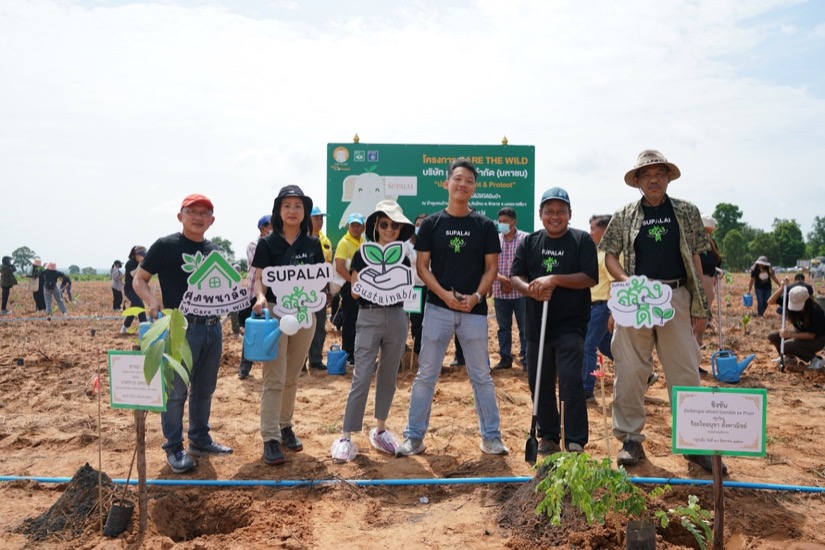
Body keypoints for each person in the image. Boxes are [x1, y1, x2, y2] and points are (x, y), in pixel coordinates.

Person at [600, 150, 722, 474]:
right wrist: (627, 283)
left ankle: (695, 444)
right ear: (637, 181)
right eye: (646, 174)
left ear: (668, 177)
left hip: (676, 296)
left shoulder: (685, 211)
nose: (653, 179)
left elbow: (696, 258)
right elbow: (610, 255)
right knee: (629, 369)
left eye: (659, 173)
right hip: (636, 299)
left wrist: (699, 304)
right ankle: (630, 439)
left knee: (685, 371)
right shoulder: (625, 214)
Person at [396, 157, 508, 457]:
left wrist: (476, 297)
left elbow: (491, 268)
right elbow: (422, 267)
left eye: (469, 181)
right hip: (437, 309)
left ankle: (491, 437)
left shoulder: (483, 226)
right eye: (458, 179)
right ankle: (414, 437)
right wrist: (445, 295)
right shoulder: (432, 224)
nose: (463, 184)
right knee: (426, 374)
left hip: (474, 312)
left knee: (481, 375)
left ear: (474, 188)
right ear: (447, 183)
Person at [133, 193, 233, 474]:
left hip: (213, 327)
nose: (198, 217)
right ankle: (174, 447)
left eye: (205, 213)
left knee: (205, 388)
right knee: (176, 392)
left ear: (211, 221)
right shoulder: (165, 246)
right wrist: (151, 301)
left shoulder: (213, 250)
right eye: (193, 212)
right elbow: (139, 278)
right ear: (181, 216)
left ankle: (200, 439)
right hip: (180, 328)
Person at [511, 187, 597, 454]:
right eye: (549, 211)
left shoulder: (581, 240)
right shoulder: (529, 242)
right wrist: (531, 289)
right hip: (537, 326)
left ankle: (574, 439)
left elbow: (589, 277)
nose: (555, 216)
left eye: (561, 211)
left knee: (571, 379)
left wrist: (554, 279)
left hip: (571, 325)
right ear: (540, 214)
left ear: (570, 214)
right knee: (540, 381)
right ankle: (548, 435)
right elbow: (516, 276)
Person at [331, 201, 415, 462]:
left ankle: (380, 430)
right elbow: (356, 288)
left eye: (394, 225)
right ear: (376, 226)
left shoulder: (403, 254)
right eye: (384, 224)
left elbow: (409, 283)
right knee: (362, 374)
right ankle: (346, 436)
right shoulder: (361, 254)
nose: (390, 229)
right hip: (368, 316)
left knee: (389, 375)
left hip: (398, 317)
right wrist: (359, 288)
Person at [251, 185, 325, 465]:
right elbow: (259, 278)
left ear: (305, 211)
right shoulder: (267, 243)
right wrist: (259, 296)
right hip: (275, 315)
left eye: (298, 206)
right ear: (278, 211)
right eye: (287, 206)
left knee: (292, 375)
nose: (292, 211)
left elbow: (320, 279)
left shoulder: (313, 244)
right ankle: (270, 437)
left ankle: (285, 426)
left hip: (305, 315)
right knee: (274, 376)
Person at [581, 214, 616, 400]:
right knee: (606, 347)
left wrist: (612, 312)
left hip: (602, 307)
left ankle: (586, 389)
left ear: (604, 230)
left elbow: (615, 285)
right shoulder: (596, 252)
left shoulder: (609, 255)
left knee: (588, 346)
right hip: (592, 307)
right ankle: (638, 372)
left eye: (594, 228)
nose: (591, 232)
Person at [492, 207, 528, 370]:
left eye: (505, 222)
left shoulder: (525, 239)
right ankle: (505, 358)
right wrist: (502, 280)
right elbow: (489, 265)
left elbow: (529, 265)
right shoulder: (494, 240)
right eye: (500, 222)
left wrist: (513, 282)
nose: (502, 225)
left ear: (514, 222)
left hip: (521, 292)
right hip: (500, 291)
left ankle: (526, 358)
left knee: (525, 327)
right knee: (503, 327)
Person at [238, 215, 272, 379]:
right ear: (262, 228)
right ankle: (245, 366)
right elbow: (260, 264)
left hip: (274, 293)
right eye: (268, 225)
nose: (271, 228)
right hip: (255, 293)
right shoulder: (253, 245)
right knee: (252, 331)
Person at [334, 212, 366, 366]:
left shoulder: (363, 242)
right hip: (349, 287)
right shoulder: (344, 243)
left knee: (360, 322)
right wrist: (354, 283)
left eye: (358, 225)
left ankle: (356, 353)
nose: (355, 227)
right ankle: (348, 354)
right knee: (350, 322)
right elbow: (339, 267)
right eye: (353, 225)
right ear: (347, 226)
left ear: (363, 227)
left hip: (360, 287)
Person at [768, 285, 825, 369]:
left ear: (806, 300)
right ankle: (789, 357)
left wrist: (790, 335)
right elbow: (770, 301)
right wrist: (781, 288)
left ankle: (815, 359)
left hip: (817, 339)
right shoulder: (790, 298)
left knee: (786, 345)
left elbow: (811, 335)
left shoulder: (815, 311)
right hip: (799, 333)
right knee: (773, 336)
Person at [307, 205, 333, 371]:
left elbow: (327, 267)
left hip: (321, 287)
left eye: (321, 218)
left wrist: (328, 290)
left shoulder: (326, 241)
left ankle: (315, 359)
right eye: (316, 218)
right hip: (302, 288)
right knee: (302, 323)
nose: (320, 221)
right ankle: (299, 362)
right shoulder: (300, 239)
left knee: (319, 324)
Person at [695, 215, 722, 346]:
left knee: (703, 318)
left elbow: (718, 260)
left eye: (710, 231)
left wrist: (716, 274)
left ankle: (698, 343)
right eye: (706, 230)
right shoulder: (693, 244)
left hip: (710, 284)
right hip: (699, 285)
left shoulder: (710, 245)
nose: (708, 234)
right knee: (697, 318)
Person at [405, 213, 428, 358]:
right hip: (412, 288)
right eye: (418, 224)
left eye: (423, 224)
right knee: (415, 320)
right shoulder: (407, 243)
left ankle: (423, 350)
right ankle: (414, 351)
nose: (420, 227)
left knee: (427, 321)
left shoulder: (434, 242)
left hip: (429, 287)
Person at [120, 246, 148, 334]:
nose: (143, 257)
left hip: (137, 289)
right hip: (129, 290)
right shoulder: (130, 263)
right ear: (136, 255)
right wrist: (140, 264)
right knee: (140, 305)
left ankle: (124, 327)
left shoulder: (141, 263)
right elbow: (133, 274)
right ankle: (144, 328)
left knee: (135, 307)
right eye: (141, 255)